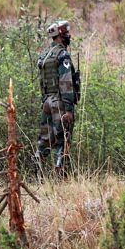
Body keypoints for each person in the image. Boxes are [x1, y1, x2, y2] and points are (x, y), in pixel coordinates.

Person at [36, 20, 77, 175]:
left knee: (44, 141)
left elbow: (42, 82)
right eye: (66, 33)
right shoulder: (63, 55)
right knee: (63, 139)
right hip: (59, 103)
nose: (69, 36)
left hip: (47, 101)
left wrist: (45, 100)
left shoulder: (44, 56)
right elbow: (66, 83)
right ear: (60, 35)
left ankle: (38, 175)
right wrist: (69, 110)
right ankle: (62, 177)